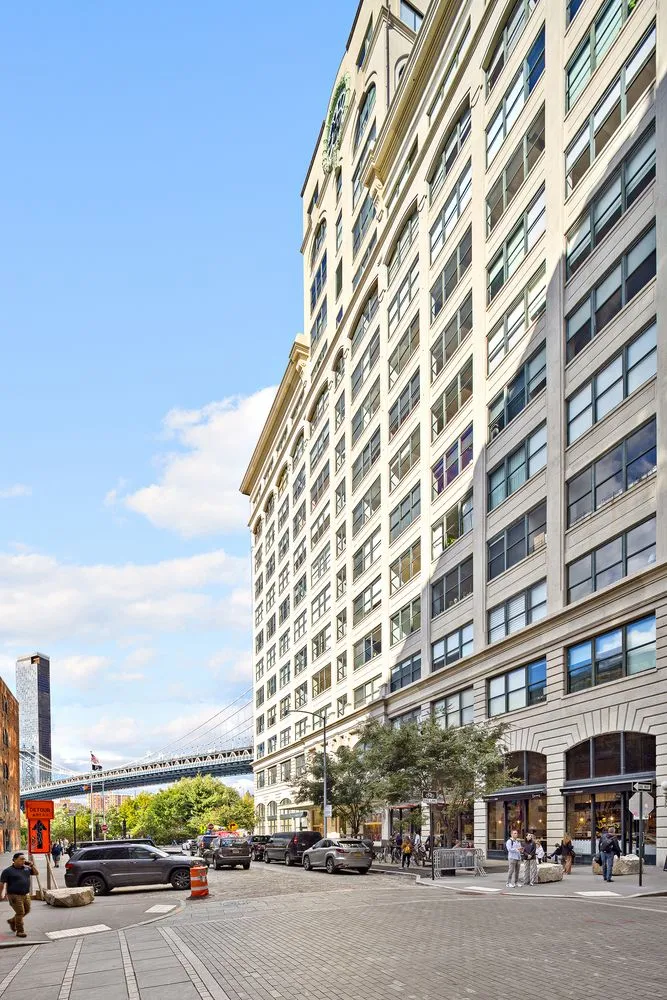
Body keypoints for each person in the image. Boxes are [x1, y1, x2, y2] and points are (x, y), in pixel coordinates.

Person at [1, 853, 38, 939]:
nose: (23, 861)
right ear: (14, 860)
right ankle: (20, 931)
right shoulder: (7, 871)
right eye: (21, 859)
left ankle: (12, 921)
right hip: (14, 895)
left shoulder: (26, 869)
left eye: (24, 859)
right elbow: (2, 884)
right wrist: (1, 895)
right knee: (20, 912)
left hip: (25, 894)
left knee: (27, 910)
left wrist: (32, 866)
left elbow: (36, 873)